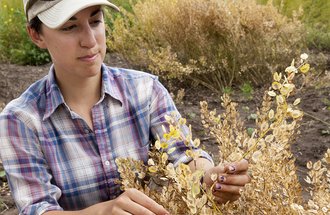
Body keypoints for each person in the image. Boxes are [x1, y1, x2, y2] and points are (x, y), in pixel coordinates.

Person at [0, 0, 251, 214]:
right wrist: (102, 211)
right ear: (36, 35)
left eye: (96, 21)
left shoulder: (146, 91)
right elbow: (37, 208)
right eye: (69, 27)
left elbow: (183, 157)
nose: (89, 40)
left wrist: (211, 178)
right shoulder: (21, 120)